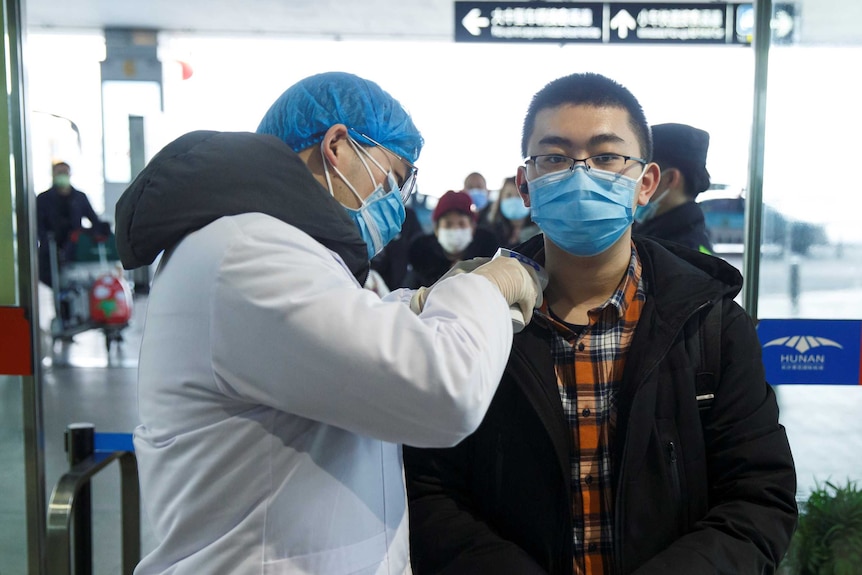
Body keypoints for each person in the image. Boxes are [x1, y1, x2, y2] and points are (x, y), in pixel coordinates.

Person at [114, 71, 542, 575]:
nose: (399, 208)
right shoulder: (247, 251)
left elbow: (340, 338)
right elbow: (441, 389)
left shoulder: (268, 245)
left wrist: (421, 304)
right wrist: (489, 287)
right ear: (337, 146)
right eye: (394, 177)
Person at [404, 72, 797, 574]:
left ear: (646, 184)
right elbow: (426, 490)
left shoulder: (710, 325)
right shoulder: (470, 319)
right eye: (555, 158)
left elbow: (760, 497)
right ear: (526, 185)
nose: (580, 174)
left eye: (607, 156)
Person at [632, 123, 714, 254]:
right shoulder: (657, 234)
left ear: (669, 178)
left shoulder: (685, 255)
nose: (638, 184)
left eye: (645, 175)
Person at [406, 189, 499, 288]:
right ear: (436, 230)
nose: (455, 229)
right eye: (448, 224)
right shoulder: (421, 265)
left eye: (461, 224)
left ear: (472, 228)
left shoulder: (488, 265)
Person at [35, 161, 109, 286]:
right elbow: (38, 226)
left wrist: (89, 234)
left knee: (74, 285)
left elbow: (94, 220)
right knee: (52, 284)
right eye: (59, 173)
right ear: (53, 175)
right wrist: (46, 240)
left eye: (65, 173)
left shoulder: (79, 198)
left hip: (74, 250)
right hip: (50, 252)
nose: (62, 176)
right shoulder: (43, 199)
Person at [369, 204, 423, 290]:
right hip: (367, 288)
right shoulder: (363, 215)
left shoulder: (407, 217)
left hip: (400, 289)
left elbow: (420, 251)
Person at [484, 175, 540, 249]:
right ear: (500, 199)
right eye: (509, 195)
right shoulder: (490, 234)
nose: (514, 200)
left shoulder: (540, 234)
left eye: (519, 195)